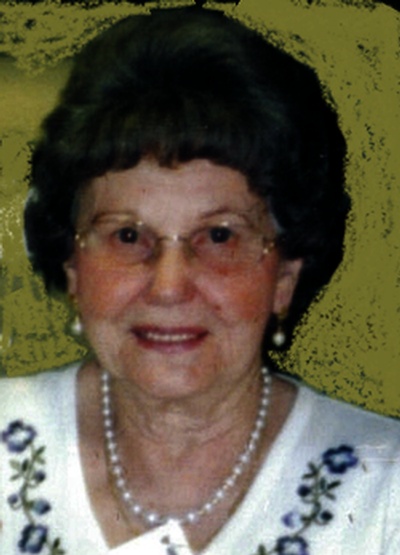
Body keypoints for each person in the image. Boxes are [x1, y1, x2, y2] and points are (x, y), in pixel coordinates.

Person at [1, 6, 399, 555]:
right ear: (72, 265)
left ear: (285, 275)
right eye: (126, 236)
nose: (168, 286)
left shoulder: (386, 491)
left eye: (219, 237)